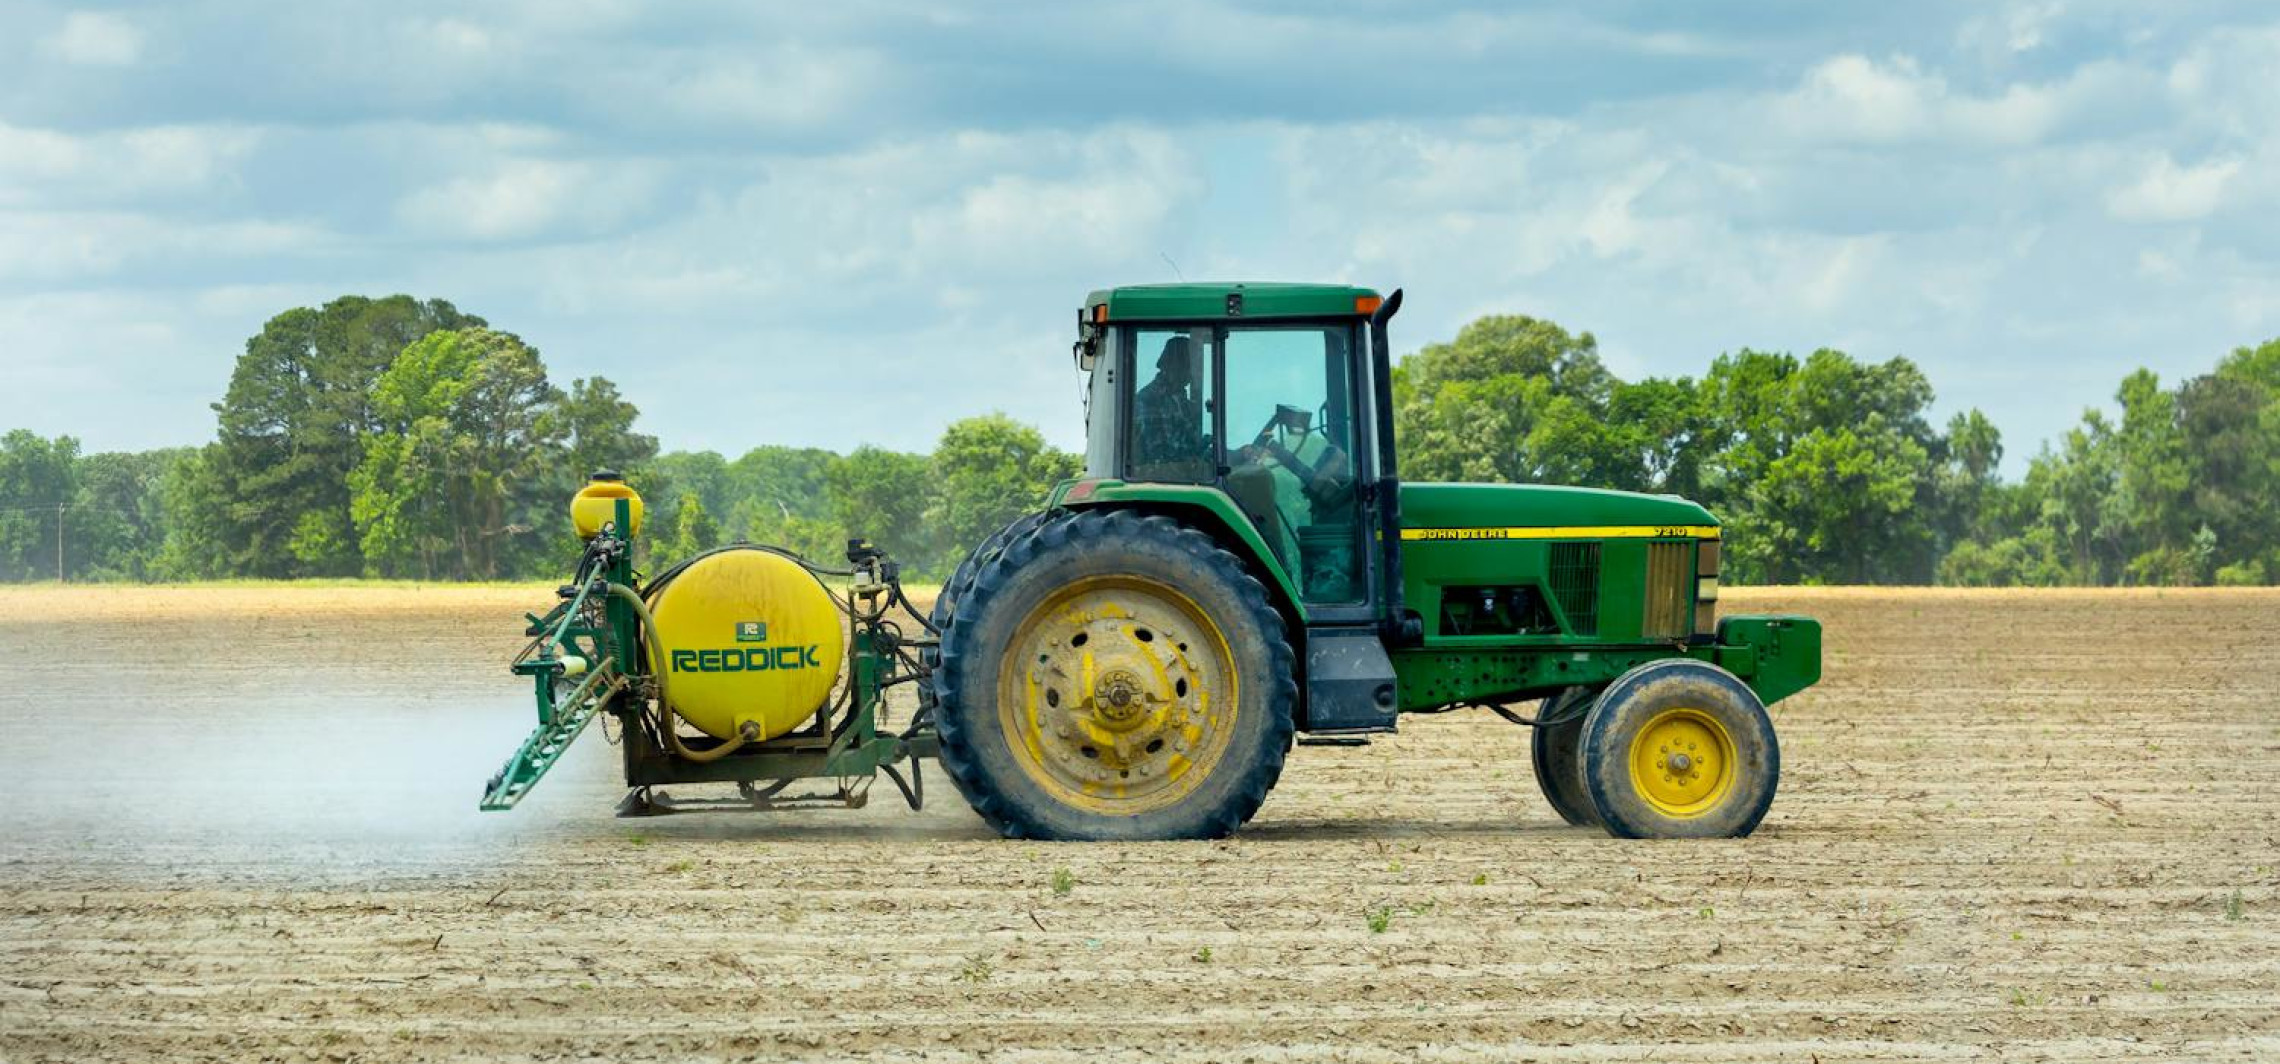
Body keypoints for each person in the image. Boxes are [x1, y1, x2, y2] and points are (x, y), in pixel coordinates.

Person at [1131, 336, 1207, 478]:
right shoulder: (1148, 400)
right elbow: (1162, 458)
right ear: (1175, 366)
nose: (1195, 374)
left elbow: (1191, 447)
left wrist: (1235, 454)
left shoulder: (1182, 400)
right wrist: (1200, 466)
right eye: (1192, 367)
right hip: (1162, 481)